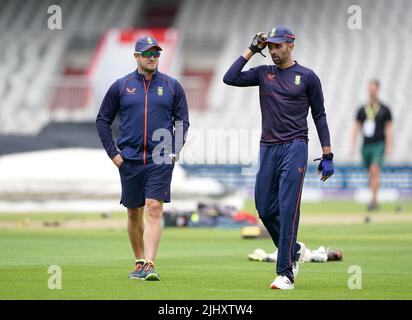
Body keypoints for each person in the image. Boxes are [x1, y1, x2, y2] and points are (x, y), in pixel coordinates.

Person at [223, 26, 334, 290]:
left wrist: (327, 153)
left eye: (277, 46)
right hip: (268, 147)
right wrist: (252, 49)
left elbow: (319, 115)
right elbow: (230, 77)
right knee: (264, 208)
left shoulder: (307, 77)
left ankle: (286, 273)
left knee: (287, 209)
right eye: (270, 47)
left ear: (291, 45)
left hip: (295, 146)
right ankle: (294, 249)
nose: (273, 51)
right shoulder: (264, 73)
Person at [96, 36, 189, 281]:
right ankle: (138, 261)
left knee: (155, 208)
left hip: (160, 160)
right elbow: (102, 120)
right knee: (133, 212)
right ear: (136, 57)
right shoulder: (121, 86)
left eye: (156, 53)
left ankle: (149, 263)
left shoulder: (172, 86)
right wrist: (114, 155)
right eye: (147, 54)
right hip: (129, 160)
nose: (152, 58)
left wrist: (174, 151)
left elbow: (182, 122)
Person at [352, 80, 393, 212]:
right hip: (366, 145)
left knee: (375, 170)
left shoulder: (384, 109)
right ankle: (374, 193)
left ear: (377, 90)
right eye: (370, 89)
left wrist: (389, 145)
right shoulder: (362, 109)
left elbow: (389, 128)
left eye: (373, 89)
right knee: (370, 172)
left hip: (379, 144)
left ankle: (374, 200)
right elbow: (356, 127)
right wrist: (353, 143)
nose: (371, 91)